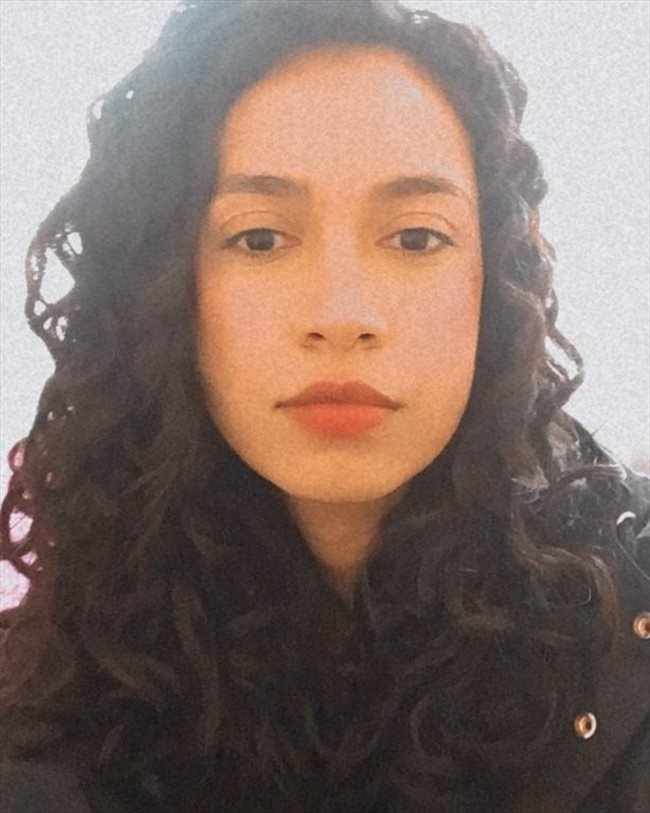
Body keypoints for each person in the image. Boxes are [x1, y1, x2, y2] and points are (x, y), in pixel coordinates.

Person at [0, 1, 648, 811]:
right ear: (164, 290)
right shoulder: (51, 691)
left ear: (495, 285)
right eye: (260, 238)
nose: (342, 314)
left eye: (416, 237)